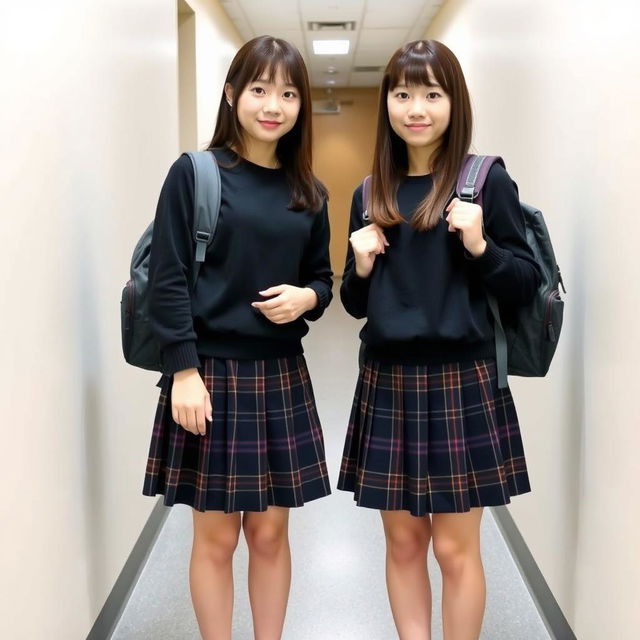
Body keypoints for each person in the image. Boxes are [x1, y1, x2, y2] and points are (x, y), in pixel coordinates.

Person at [338, 39, 541, 640]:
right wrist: (363, 264)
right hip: (388, 379)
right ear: (388, 105)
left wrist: (480, 245)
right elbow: (353, 304)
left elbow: (525, 283)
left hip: (464, 379)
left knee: (456, 551)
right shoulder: (369, 192)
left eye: (432, 93)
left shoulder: (484, 181)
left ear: (454, 102)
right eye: (403, 94)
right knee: (403, 544)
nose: (416, 108)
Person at [142, 36, 333, 640]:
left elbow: (323, 281)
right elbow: (168, 280)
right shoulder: (195, 174)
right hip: (210, 374)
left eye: (287, 92)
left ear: (301, 105)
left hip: (281, 374)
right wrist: (184, 371)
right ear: (232, 94)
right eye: (258, 89)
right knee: (217, 536)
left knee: (271, 534)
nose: (272, 104)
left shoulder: (310, 192)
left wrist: (308, 298)